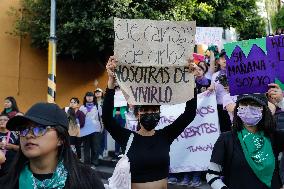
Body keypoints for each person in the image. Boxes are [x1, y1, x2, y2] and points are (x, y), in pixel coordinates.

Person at [103, 56, 197, 189]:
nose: (150, 113)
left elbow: (190, 113)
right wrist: (111, 81)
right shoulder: (128, 138)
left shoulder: (165, 136)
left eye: (155, 109)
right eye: (145, 109)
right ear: (137, 114)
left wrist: (191, 81)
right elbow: (107, 119)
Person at [0, 102, 104, 189]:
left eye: (40, 129)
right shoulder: (9, 182)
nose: (28, 135)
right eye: (23, 130)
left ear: (61, 139)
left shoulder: (87, 181)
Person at [206, 91, 284, 189]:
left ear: (263, 109)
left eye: (254, 104)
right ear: (238, 109)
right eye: (244, 104)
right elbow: (211, 175)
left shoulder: (274, 136)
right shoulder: (226, 139)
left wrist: (281, 102)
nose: (248, 108)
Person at [208, 49, 232, 132]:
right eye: (222, 58)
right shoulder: (215, 75)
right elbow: (212, 88)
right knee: (223, 130)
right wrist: (210, 89)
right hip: (219, 107)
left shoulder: (235, 74)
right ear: (218, 61)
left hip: (233, 106)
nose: (225, 60)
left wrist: (233, 89)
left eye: (227, 57)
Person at [80, 92, 103, 166]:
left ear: (93, 98)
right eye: (88, 96)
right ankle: (86, 163)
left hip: (95, 129)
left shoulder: (97, 106)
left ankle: (94, 162)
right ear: (85, 98)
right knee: (86, 146)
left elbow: (101, 117)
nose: (89, 97)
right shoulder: (82, 107)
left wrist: (102, 127)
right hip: (85, 129)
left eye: (91, 96)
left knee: (95, 146)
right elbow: (79, 119)